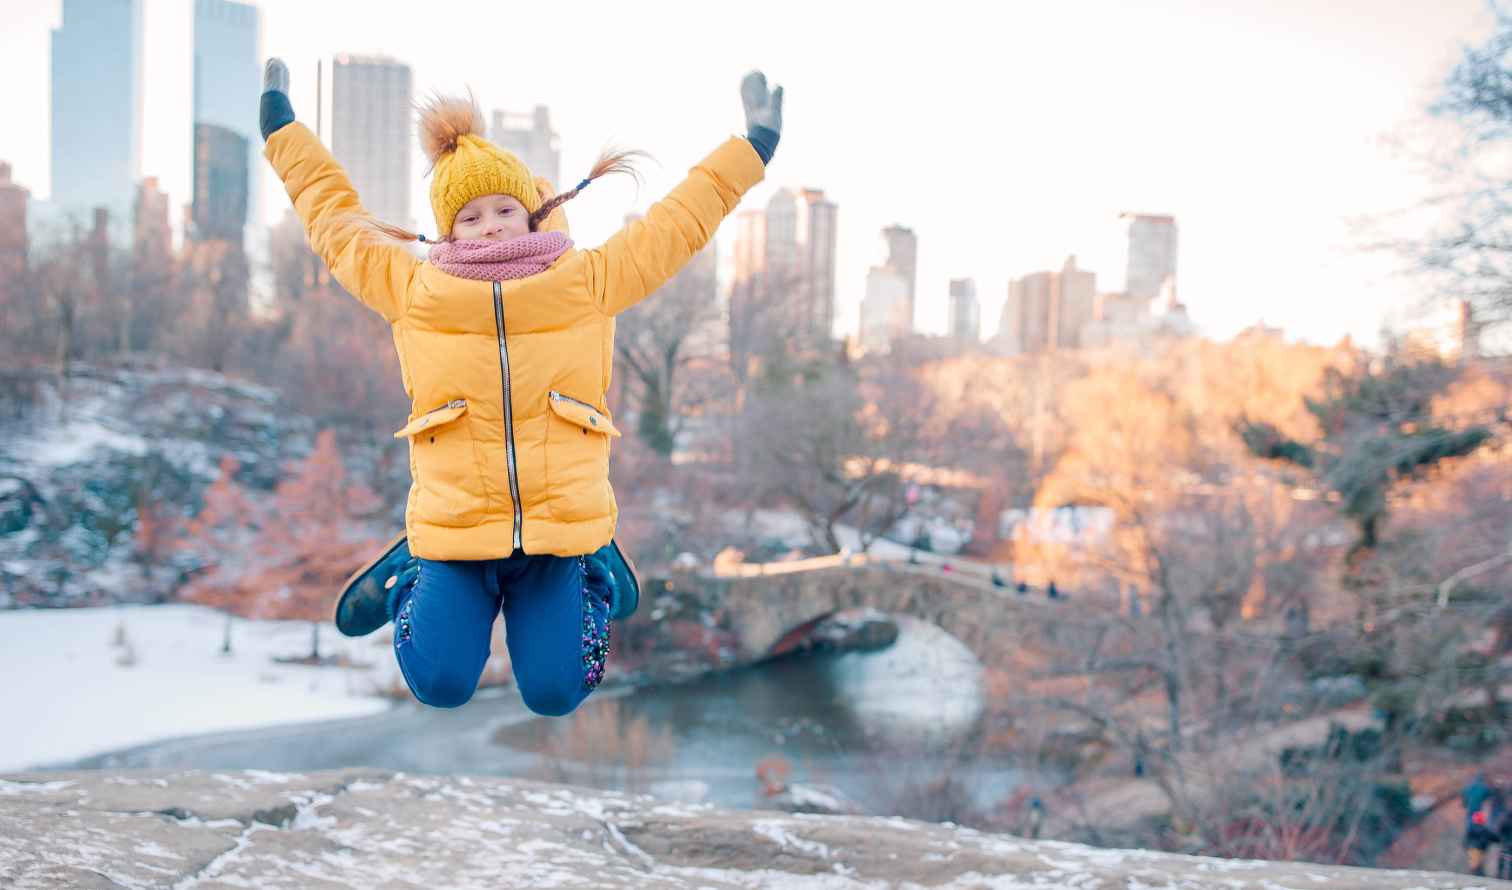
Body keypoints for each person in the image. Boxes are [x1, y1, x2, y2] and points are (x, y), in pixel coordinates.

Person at [258, 58, 782, 716]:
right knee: (439, 683)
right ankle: (410, 577)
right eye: (471, 217)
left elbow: (678, 225)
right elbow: (333, 222)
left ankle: (593, 570)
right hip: (455, 533)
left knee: (558, 691)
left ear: (532, 214)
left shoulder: (587, 281)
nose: (492, 225)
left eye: (505, 208)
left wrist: (751, 147)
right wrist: (283, 132)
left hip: (559, 536)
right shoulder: (415, 291)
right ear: (448, 230)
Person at [1464, 771, 1494, 875]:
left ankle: (1476, 868)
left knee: (1472, 834)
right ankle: (1478, 869)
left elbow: (1464, 800)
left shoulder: (1468, 788)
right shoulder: (1483, 788)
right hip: (1478, 813)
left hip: (1470, 814)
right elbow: (1490, 795)